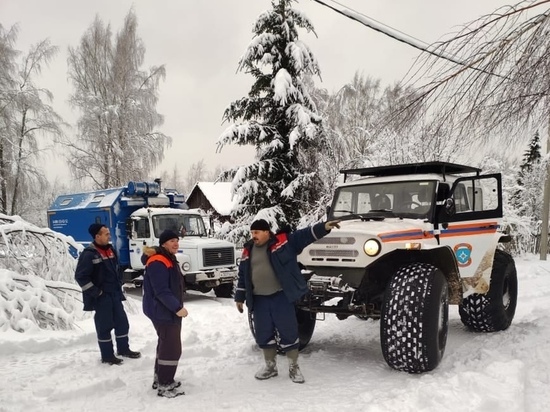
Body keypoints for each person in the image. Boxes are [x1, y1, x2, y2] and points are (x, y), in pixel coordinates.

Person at [235, 218, 341, 384]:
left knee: (288, 331)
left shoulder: (283, 242)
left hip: (280, 297)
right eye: (252, 233)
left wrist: (324, 227)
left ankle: (294, 367)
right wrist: (239, 297)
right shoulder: (248, 250)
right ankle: (270, 367)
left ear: (266, 232)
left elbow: (304, 235)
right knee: (263, 333)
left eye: (256, 232)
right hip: (259, 300)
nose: (253, 236)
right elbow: (243, 276)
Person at [74, 223, 141, 365]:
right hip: (102, 297)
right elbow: (81, 277)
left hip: (115, 295)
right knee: (104, 326)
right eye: (106, 234)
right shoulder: (89, 254)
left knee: (122, 323)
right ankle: (107, 355)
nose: (109, 236)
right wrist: (96, 292)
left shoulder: (111, 250)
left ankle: (123, 349)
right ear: (97, 236)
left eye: (108, 233)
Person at [142, 229, 188, 398]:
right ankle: (165, 384)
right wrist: (177, 308)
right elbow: (161, 291)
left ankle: (160, 377)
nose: (176, 243)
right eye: (171, 241)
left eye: (177, 240)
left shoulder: (168, 258)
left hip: (166, 309)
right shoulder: (158, 261)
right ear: (163, 244)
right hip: (162, 310)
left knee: (166, 344)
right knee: (172, 348)